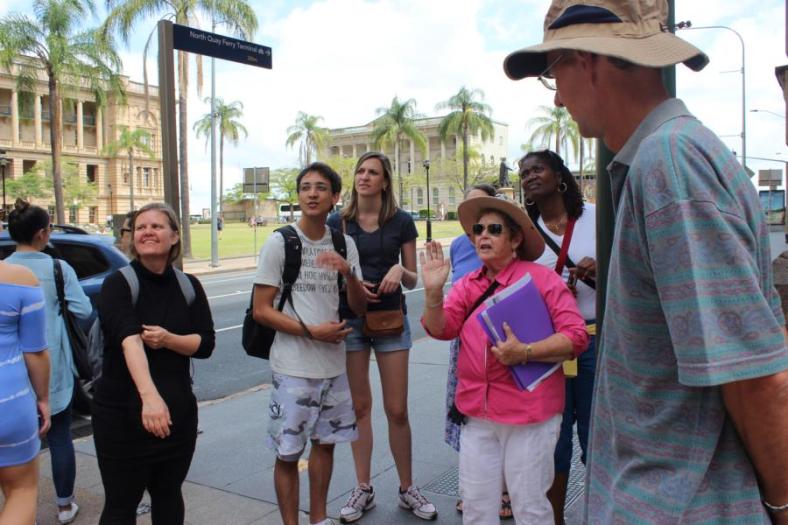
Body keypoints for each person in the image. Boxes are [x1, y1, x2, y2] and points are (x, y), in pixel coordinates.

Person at [504, 1, 788, 523]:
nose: (559, 94)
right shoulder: (670, 157)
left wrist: (782, 504)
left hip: (680, 502)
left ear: (587, 59)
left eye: (553, 72)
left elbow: (753, 378)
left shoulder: (669, 165)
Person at [421, 195, 587, 524]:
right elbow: (443, 329)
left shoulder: (542, 280)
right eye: (477, 229)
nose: (482, 235)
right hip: (477, 415)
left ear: (515, 240)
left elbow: (576, 336)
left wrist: (524, 352)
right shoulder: (468, 284)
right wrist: (432, 294)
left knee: (529, 508)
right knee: (476, 507)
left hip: (529, 416)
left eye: (494, 229)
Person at [253, 162, 366, 525]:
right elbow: (261, 310)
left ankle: (319, 518)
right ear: (299, 195)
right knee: (288, 454)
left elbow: (360, 307)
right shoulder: (280, 242)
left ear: (335, 197)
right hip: (293, 368)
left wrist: (348, 272)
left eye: (320, 188)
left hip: (334, 366)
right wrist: (310, 331)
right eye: (305, 187)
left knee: (326, 446)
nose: (312, 194)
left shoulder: (343, 243)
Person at [326, 151, 436, 522]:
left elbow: (412, 277)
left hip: (391, 319)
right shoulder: (337, 221)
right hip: (353, 319)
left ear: (385, 181)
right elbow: (327, 270)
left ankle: (407, 488)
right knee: (359, 408)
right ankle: (363, 488)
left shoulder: (400, 221)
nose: (364, 177)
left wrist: (397, 269)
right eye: (360, 171)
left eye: (373, 172)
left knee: (397, 409)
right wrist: (349, 278)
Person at [92, 202, 215, 524]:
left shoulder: (189, 286)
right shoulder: (118, 283)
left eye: (157, 226)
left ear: (174, 236)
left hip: (177, 417)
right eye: (140, 227)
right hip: (122, 415)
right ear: (132, 239)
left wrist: (168, 339)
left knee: (168, 495)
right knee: (121, 505)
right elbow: (129, 338)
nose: (147, 232)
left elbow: (205, 344)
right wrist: (150, 398)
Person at [521, 149, 596, 524]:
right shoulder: (524, 233)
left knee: (597, 435)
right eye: (524, 172)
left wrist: (598, 271)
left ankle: (600, 514)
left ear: (559, 176)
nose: (529, 176)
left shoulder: (596, 220)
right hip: (548, 348)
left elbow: (626, 273)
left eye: (537, 169)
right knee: (554, 439)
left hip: (595, 341)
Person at [6, 199, 92, 524]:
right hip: (53, 369)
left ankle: (13, 502)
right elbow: (84, 312)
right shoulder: (58, 269)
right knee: (59, 437)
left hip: (11, 376)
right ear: (43, 233)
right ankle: (64, 505)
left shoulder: (6, 270)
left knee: (15, 445)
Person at [445, 184, 513, 520]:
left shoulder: (507, 247)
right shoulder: (459, 245)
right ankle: (472, 490)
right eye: (474, 221)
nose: (481, 230)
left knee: (501, 418)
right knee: (468, 420)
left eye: (488, 222)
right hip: (466, 344)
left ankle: (503, 490)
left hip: (506, 345)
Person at [0, 258, 50, 525]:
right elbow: (36, 351)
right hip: (9, 404)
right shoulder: (21, 279)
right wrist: (43, 398)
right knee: (21, 491)